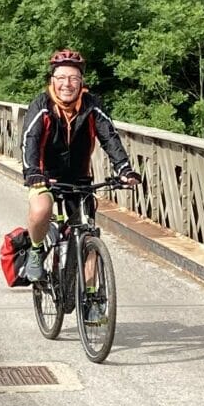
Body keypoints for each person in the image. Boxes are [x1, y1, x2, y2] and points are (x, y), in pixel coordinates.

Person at [20, 50, 133, 280]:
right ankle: (35, 250)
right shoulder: (42, 105)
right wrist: (32, 172)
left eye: (73, 78)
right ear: (52, 80)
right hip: (45, 176)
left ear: (81, 82)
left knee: (89, 235)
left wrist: (124, 168)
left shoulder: (91, 105)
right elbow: (29, 140)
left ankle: (92, 300)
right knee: (41, 209)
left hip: (80, 179)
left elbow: (109, 137)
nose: (67, 84)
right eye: (61, 78)